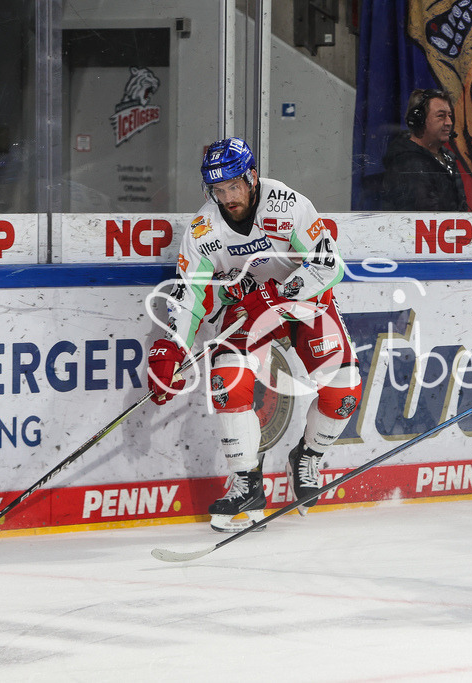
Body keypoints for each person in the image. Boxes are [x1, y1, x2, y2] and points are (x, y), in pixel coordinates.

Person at [147, 137, 363, 532]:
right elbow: (189, 294)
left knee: (344, 391)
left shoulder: (289, 205)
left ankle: (308, 455)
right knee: (228, 381)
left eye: (234, 186)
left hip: (304, 302)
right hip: (247, 309)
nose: (227, 197)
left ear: (252, 177)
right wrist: (172, 347)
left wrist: (278, 294)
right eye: (218, 189)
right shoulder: (202, 230)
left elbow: (328, 265)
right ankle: (246, 483)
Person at [380, 88, 468, 211]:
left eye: (449, 116)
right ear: (419, 121)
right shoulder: (408, 164)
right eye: (441, 116)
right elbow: (424, 216)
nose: (449, 122)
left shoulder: (447, 158)